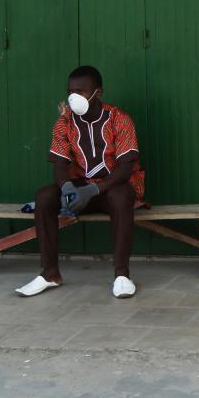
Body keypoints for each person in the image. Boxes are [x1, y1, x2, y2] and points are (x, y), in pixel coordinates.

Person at [16, 65, 146, 299]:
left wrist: (94, 189)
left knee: (122, 195)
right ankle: (49, 274)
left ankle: (122, 275)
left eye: (81, 91)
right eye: (70, 91)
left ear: (98, 92)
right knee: (44, 196)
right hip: (80, 191)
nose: (74, 97)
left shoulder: (120, 119)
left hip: (109, 191)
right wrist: (66, 187)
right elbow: (59, 165)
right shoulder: (64, 123)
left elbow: (126, 167)